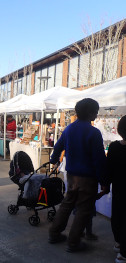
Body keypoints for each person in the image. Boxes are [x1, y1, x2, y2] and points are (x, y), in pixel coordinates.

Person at [48, 98, 110, 252]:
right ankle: (74, 243)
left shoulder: (69, 129)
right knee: (83, 209)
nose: (96, 113)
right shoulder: (93, 133)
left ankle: (54, 234)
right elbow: (99, 159)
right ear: (90, 113)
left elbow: (58, 146)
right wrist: (104, 181)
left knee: (67, 204)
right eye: (95, 111)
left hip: (72, 176)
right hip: (88, 178)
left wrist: (54, 160)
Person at [107, 115, 126, 263]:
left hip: (118, 188)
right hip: (119, 188)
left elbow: (109, 169)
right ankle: (123, 253)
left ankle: (119, 243)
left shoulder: (114, 147)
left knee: (118, 214)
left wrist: (105, 185)